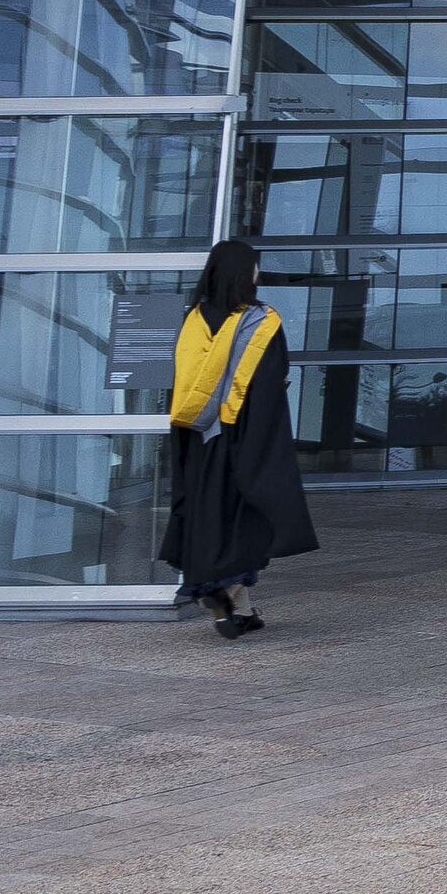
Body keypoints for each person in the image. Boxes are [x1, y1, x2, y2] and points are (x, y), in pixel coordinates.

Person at [161, 237, 311, 638]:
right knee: (248, 520)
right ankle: (224, 592)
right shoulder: (260, 321)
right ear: (246, 272)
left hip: (198, 437)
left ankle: (239, 610)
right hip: (243, 435)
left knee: (210, 517)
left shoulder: (193, 319)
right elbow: (270, 381)